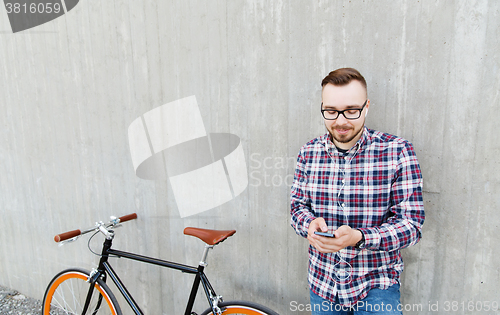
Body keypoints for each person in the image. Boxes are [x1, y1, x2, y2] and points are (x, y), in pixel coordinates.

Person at [290, 68, 425, 315]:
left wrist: (360, 238)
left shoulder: (397, 151)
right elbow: (297, 208)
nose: (340, 121)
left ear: (367, 106)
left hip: (376, 286)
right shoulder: (308, 153)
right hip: (323, 284)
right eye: (330, 111)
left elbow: (412, 226)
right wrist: (308, 225)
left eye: (351, 110)